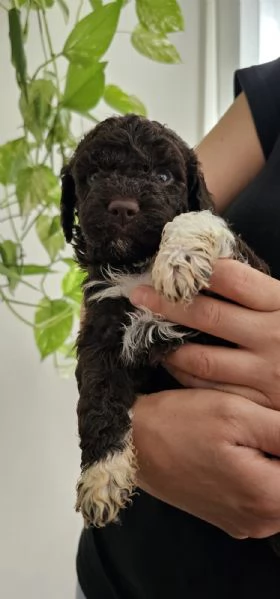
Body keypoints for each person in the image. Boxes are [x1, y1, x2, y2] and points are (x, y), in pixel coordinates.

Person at [76, 57, 280, 598]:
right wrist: (130, 436)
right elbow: (100, 311)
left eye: (160, 177)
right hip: (118, 572)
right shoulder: (273, 95)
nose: (125, 197)